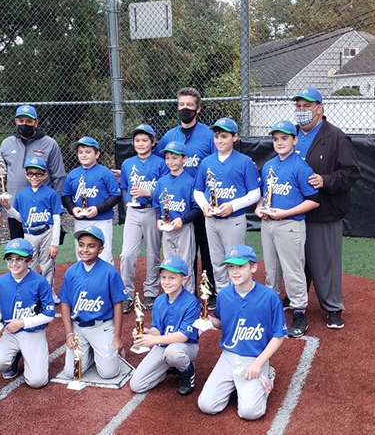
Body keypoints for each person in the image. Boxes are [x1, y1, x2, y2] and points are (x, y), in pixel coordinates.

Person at [291, 87, 360, 329]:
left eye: (306, 106)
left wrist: (326, 180)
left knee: (325, 261)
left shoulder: (336, 137)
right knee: (295, 259)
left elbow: (351, 173)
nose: (301, 111)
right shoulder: (291, 136)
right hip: (294, 211)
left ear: (319, 109)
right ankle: (295, 298)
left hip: (324, 211)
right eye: (298, 106)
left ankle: (333, 307)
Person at [197, 244, 286, 420]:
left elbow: (278, 336)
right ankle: (238, 387)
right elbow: (222, 324)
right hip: (228, 357)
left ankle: (266, 377)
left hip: (254, 358)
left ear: (253, 267)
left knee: (250, 413)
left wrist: (258, 364)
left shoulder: (270, 297)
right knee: (206, 405)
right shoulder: (224, 295)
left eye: (240, 266)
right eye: (231, 267)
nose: (235, 272)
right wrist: (209, 321)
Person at [256, 120, 320, 338]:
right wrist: (259, 208)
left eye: (285, 138)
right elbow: (265, 195)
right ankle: (272, 309)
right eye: (276, 139)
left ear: (294, 140)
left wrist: (284, 213)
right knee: (271, 270)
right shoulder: (269, 166)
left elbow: (313, 200)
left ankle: (300, 312)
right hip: (268, 224)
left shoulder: (301, 167)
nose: (280, 142)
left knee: (293, 270)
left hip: (290, 225)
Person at [153, 87, 218, 299]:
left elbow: (217, 162)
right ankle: (182, 292)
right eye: (181, 105)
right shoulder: (170, 135)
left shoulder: (208, 135)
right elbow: (157, 161)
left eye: (189, 105)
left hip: (202, 201)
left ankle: (211, 291)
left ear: (198, 109)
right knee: (179, 252)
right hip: (177, 204)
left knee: (206, 249)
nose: (185, 109)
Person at [194, 118, 261, 298]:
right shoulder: (207, 162)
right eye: (217, 136)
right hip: (212, 219)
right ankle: (224, 298)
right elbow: (198, 191)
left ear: (235, 137)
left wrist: (233, 205)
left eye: (224, 136)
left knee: (236, 261)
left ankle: (239, 297)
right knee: (217, 262)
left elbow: (255, 193)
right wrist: (204, 206)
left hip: (234, 219)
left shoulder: (244, 161)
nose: (220, 140)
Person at [0, 239, 56, 388]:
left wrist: (23, 323)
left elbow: (49, 314)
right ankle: (14, 356)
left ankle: (26, 353)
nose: (14, 263)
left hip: (33, 331)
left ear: (30, 260)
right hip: (11, 332)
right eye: (10, 259)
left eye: (20, 259)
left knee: (37, 382)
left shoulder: (39, 281)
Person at [59, 226, 129, 379]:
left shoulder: (109, 271)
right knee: (71, 372)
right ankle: (90, 353)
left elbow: (118, 304)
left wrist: (117, 337)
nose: (85, 249)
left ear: (101, 249)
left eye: (91, 246)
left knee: (109, 373)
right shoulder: (71, 272)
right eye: (81, 244)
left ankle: (101, 351)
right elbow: (65, 303)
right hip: (78, 327)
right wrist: (69, 333)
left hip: (101, 326)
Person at [128, 256, 201, 396]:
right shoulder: (160, 300)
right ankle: (171, 368)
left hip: (185, 346)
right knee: (137, 385)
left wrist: (154, 340)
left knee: (173, 353)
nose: (166, 282)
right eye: (163, 277)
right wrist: (147, 332)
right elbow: (157, 330)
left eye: (172, 278)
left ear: (184, 279)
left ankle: (187, 371)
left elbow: (184, 336)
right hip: (163, 344)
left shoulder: (191, 302)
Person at [0, 105, 66, 239]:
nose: (24, 124)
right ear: (16, 121)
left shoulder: (49, 144)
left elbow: (59, 177)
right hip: (14, 208)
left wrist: (57, 207)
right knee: (20, 252)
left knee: (44, 252)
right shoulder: (7, 144)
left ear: (36, 122)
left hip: (41, 210)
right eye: (21, 121)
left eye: (29, 121)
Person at [117, 124, 169, 312]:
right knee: (127, 254)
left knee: (153, 253)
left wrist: (149, 192)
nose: (140, 143)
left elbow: (166, 190)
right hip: (133, 211)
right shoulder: (127, 163)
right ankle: (126, 293)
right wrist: (128, 205)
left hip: (151, 211)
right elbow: (124, 188)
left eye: (145, 140)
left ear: (153, 142)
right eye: (137, 140)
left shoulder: (161, 162)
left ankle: (151, 291)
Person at [0, 157, 65, 303]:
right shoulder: (22, 194)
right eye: (31, 173)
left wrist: (54, 242)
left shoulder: (51, 193)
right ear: (26, 175)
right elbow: (21, 218)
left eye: (38, 173)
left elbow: (56, 219)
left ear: (45, 175)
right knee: (29, 265)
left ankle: (48, 293)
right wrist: (7, 207)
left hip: (47, 231)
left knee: (48, 265)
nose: (34, 176)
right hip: (29, 233)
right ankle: (32, 293)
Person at [61, 137, 122, 264]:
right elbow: (65, 196)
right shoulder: (72, 174)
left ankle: (105, 283)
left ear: (97, 154)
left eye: (88, 151)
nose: (84, 155)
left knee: (103, 256)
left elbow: (116, 196)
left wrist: (98, 209)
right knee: (82, 257)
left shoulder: (105, 173)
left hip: (102, 220)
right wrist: (72, 209)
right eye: (80, 152)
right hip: (81, 221)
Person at [152, 141, 202, 294]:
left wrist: (183, 219)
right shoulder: (162, 182)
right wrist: (159, 219)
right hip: (167, 229)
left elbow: (197, 208)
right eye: (167, 158)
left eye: (174, 158)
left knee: (185, 263)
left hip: (184, 228)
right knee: (169, 263)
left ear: (184, 159)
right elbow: (156, 205)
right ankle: (172, 295)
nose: (170, 162)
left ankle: (188, 297)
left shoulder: (191, 181)